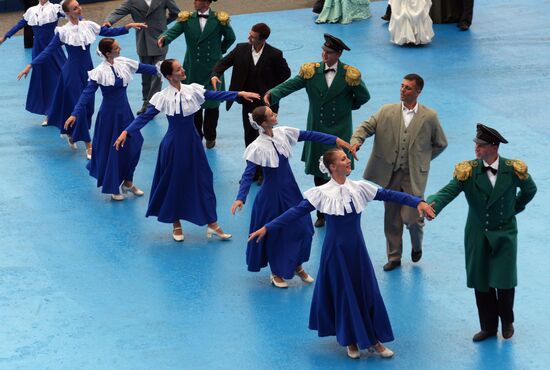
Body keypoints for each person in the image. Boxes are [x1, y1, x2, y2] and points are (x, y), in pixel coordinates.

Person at [249, 148, 435, 359]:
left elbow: (390, 194)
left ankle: (373, 339)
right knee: (344, 293)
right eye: (343, 159)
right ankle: (351, 340)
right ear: (332, 167)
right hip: (334, 253)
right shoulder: (321, 193)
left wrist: (418, 202)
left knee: (366, 291)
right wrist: (268, 228)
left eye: (346, 158)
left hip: (357, 251)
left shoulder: (359, 188)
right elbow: (294, 213)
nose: (348, 161)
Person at [114, 59, 259, 242]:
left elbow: (215, 95)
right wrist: (127, 132)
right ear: (169, 76)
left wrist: (238, 94)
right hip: (174, 146)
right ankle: (176, 224)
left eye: (181, 67)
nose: (183, 70)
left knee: (204, 180)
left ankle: (212, 223)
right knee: (174, 183)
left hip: (193, 144)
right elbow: (144, 117)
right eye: (178, 69)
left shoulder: (193, 90)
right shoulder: (163, 96)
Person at [427, 124, 536, 342]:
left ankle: (507, 320)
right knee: (481, 281)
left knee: (505, 281)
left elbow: (530, 190)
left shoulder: (513, 169)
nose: (476, 148)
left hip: (505, 233)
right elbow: (449, 191)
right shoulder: (468, 171)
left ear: (494, 146)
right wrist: (432, 204)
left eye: (481, 145)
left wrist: (514, 208)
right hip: (477, 234)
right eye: (476, 144)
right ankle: (487, 327)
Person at [231, 106, 353, 288]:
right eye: (272, 115)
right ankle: (276, 272)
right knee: (276, 233)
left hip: (290, 190)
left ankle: (296, 264)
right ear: (264, 123)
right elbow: (248, 174)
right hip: (271, 197)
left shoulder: (283, 133)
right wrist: (241, 197)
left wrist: (336, 140)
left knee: (304, 229)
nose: (275, 115)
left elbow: (310, 135)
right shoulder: (256, 147)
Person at [17, 0, 146, 160]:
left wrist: (128, 27)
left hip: (88, 71)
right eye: (75, 8)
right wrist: (31, 65)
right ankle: (88, 144)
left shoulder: (88, 25)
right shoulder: (63, 31)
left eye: (79, 6)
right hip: (71, 73)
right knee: (82, 107)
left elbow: (108, 32)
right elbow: (48, 51)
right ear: (68, 13)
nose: (79, 9)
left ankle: (73, 133)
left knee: (89, 108)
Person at [265, 33, 370, 228]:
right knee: (318, 171)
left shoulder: (349, 75)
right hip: (318, 128)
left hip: (340, 128)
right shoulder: (311, 72)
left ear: (338, 54)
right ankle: (322, 212)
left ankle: (337, 207)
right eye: (323, 51)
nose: (324, 55)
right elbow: (292, 85)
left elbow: (364, 97)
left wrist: (347, 106)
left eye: (329, 52)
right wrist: (274, 94)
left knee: (339, 170)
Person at [350, 74, 447, 271]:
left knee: (412, 218)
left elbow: (441, 143)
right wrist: (356, 140)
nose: (403, 90)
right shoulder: (386, 111)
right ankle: (394, 257)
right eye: (402, 86)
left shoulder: (429, 117)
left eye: (408, 88)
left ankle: (417, 245)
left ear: (418, 92)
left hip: (413, 176)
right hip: (389, 173)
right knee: (392, 217)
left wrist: (422, 160)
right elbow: (366, 127)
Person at [64, 38, 158, 201]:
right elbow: (87, 94)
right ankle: (113, 185)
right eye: (116, 48)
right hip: (109, 117)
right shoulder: (99, 72)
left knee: (135, 144)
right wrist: (75, 113)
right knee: (113, 150)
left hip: (126, 114)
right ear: (108, 53)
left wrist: (165, 70)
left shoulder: (123, 63)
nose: (120, 49)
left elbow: (146, 68)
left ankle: (128, 182)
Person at [211, 22, 291, 183]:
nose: (249, 37)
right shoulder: (241, 48)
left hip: (267, 104)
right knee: (250, 135)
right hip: (248, 101)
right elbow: (223, 62)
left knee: (267, 136)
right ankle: (253, 171)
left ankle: (265, 172)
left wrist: (271, 90)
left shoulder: (274, 54)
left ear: (262, 40)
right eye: (250, 34)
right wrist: (215, 74)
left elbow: (286, 74)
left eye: (253, 37)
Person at [158, 0, 236, 149]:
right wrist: (164, 38)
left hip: (213, 68)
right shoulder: (187, 19)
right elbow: (173, 31)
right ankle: (197, 136)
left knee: (213, 105)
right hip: (192, 68)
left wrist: (219, 51)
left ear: (206, 2)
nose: (194, 2)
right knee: (193, 104)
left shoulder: (220, 20)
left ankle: (210, 135)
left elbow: (230, 38)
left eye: (198, 0)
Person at [103, 0, 180, 114]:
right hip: (142, 42)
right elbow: (118, 11)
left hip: (160, 39)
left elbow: (176, 13)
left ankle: (152, 104)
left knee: (158, 73)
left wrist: (163, 23)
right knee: (146, 74)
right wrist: (108, 21)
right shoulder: (132, 1)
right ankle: (146, 101)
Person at [1, 0, 66, 126]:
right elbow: (19, 25)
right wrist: (5, 37)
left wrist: (81, 22)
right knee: (44, 81)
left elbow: (71, 13)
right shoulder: (31, 11)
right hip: (38, 49)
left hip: (53, 49)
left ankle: (66, 108)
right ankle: (49, 114)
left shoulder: (55, 8)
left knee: (62, 76)